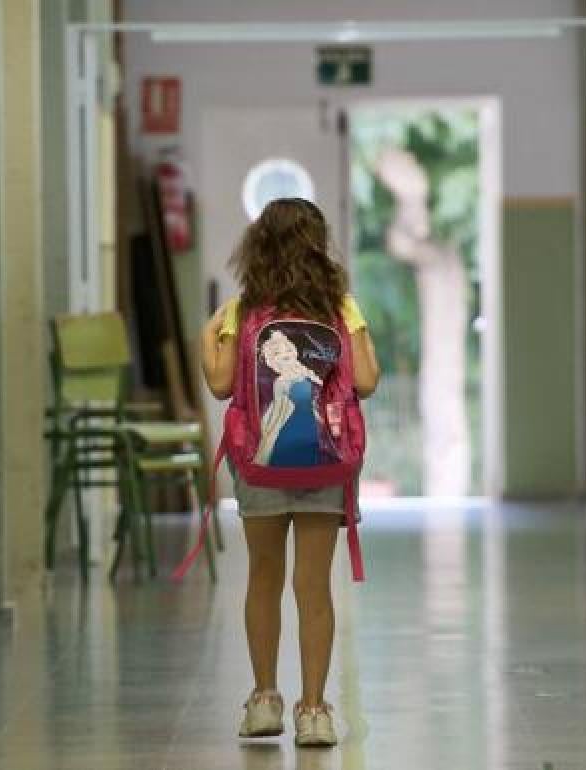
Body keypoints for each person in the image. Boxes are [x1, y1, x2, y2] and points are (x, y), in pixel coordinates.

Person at [201, 197, 380, 749]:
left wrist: (208, 336)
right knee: (314, 587)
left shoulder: (241, 310)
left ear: (259, 245)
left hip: (260, 463)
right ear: (318, 246)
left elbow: (221, 384)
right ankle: (315, 710)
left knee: (263, 578)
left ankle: (262, 701)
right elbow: (368, 380)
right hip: (325, 462)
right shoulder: (340, 306)